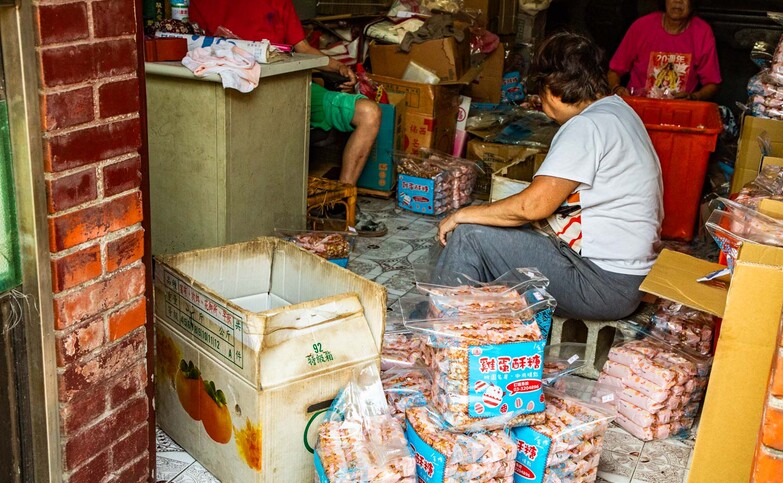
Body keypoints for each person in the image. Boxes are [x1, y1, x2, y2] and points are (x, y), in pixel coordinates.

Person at [433, 31, 663, 321]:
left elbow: (532, 207)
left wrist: (462, 214)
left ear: (552, 88)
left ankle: (442, 333)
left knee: (468, 236)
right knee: (496, 231)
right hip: (626, 280)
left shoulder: (587, 126)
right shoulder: (619, 112)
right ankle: (475, 320)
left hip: (601, 284)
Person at [189, 0, 387, 235]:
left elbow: (302, 48)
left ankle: (339, 205)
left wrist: (338, 68)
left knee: (369, 113)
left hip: (291, 89)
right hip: (237, 94)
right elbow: (192, 45)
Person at [608, 0, 721, 101]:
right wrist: (617, 88)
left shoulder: (702, 32)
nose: (678, 1)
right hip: (637, 108)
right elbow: (614, 71)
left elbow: (712, 83)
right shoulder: (642, 26)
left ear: (693, 4)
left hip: (680, 111)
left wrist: (694, 97)